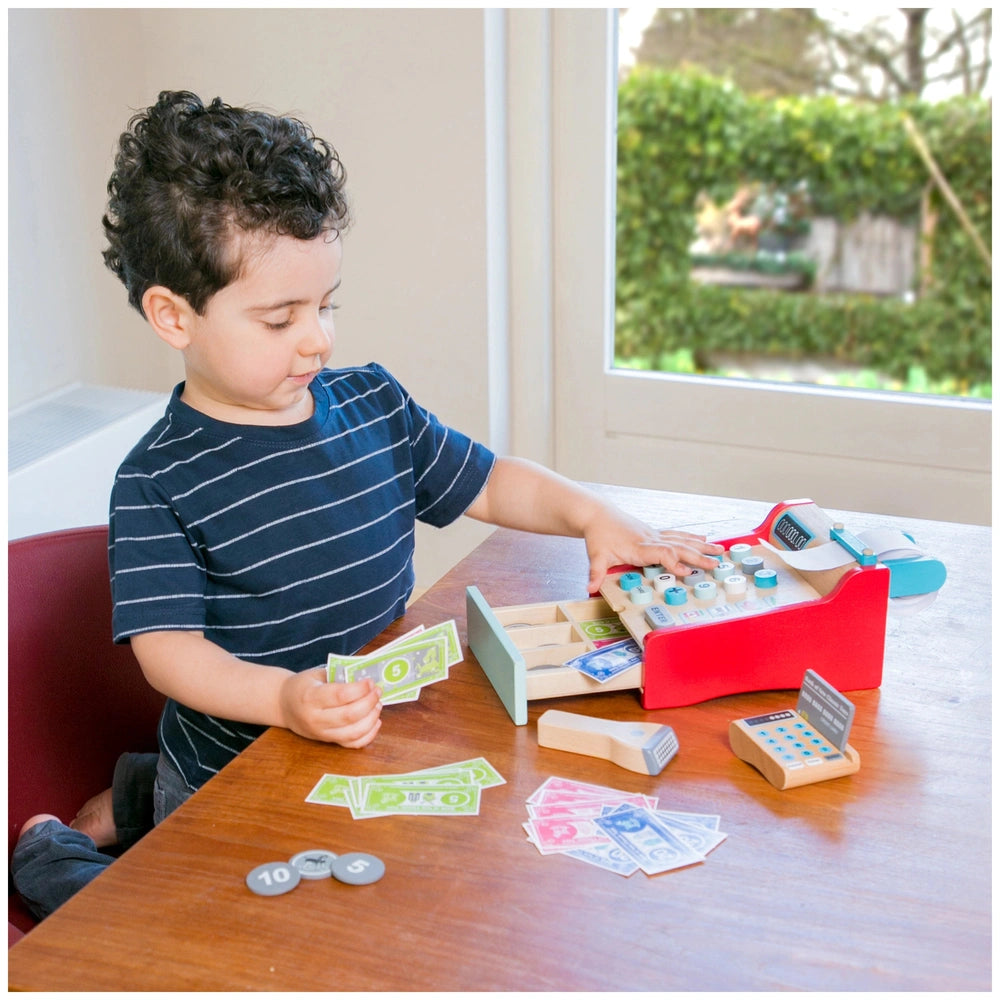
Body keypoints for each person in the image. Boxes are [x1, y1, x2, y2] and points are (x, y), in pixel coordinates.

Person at [11, 90, 723, 920]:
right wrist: (282, 699)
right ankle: (54, 848)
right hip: (232, 778)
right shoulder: (157, 481)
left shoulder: (375, 405)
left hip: (359, 741)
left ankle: (133, 789)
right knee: (159, 933)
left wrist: (593, 515)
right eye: (280, 318)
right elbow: (169, 655)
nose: (318, 339)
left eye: (327, 304)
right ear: (174, 315)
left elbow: (492, 481)